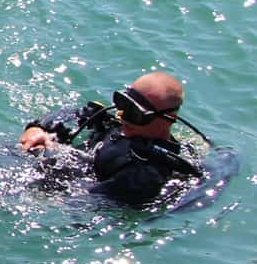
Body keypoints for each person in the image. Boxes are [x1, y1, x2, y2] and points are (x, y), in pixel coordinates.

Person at [19, 71, 206, 207]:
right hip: (31, 161)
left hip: (37, 186)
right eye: (123, 104)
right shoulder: (118, 120)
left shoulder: (147, 174)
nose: (123, 117)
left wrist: (51, 163)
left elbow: (85, 199)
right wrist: (38, 128)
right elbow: (76, 113)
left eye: (135, 114)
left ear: (169, 119)